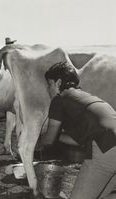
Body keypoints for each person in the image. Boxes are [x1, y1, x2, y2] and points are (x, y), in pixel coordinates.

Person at [39, 62, 116, 199]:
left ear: (58, 83)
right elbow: (79, 139)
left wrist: (38, 140)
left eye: (49, 84)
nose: (48, 89)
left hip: (105, 149)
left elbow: (48, 139)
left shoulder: (59, 99)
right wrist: (57, 137)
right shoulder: (86, 98)